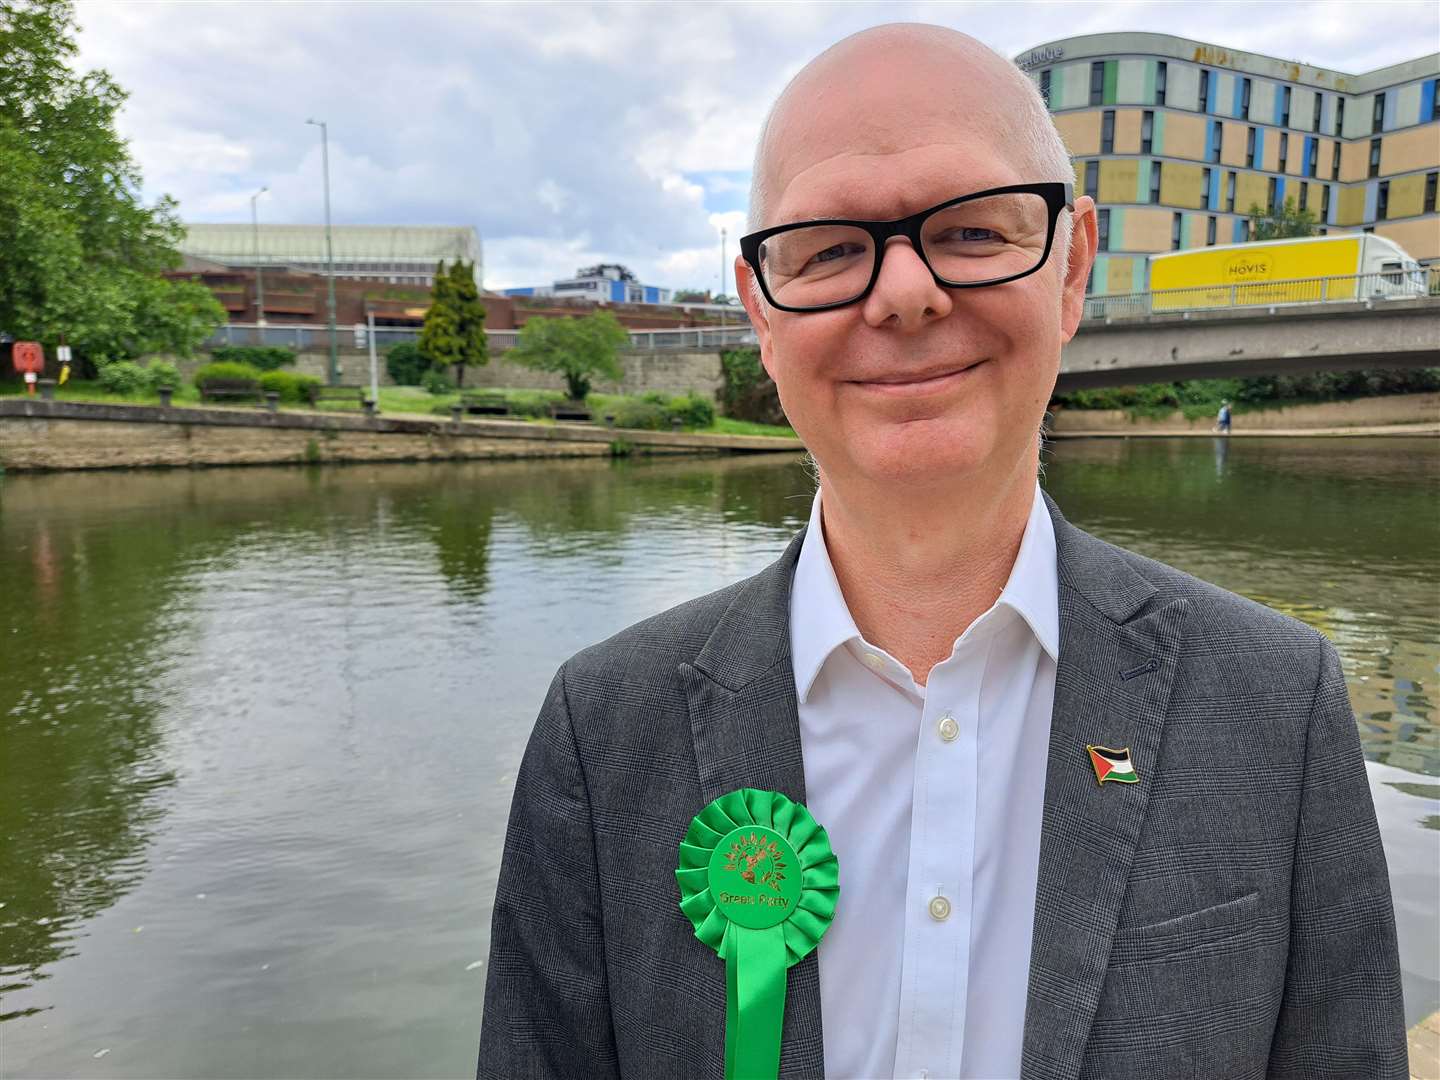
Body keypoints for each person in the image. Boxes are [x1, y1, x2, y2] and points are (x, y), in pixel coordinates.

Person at [478, 24, 1406, 1080]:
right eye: (829, 248)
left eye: (971, 231)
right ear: (762, 317)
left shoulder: (1277, 708)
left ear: (1072, 269)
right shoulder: (601, 738)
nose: (906, 292)